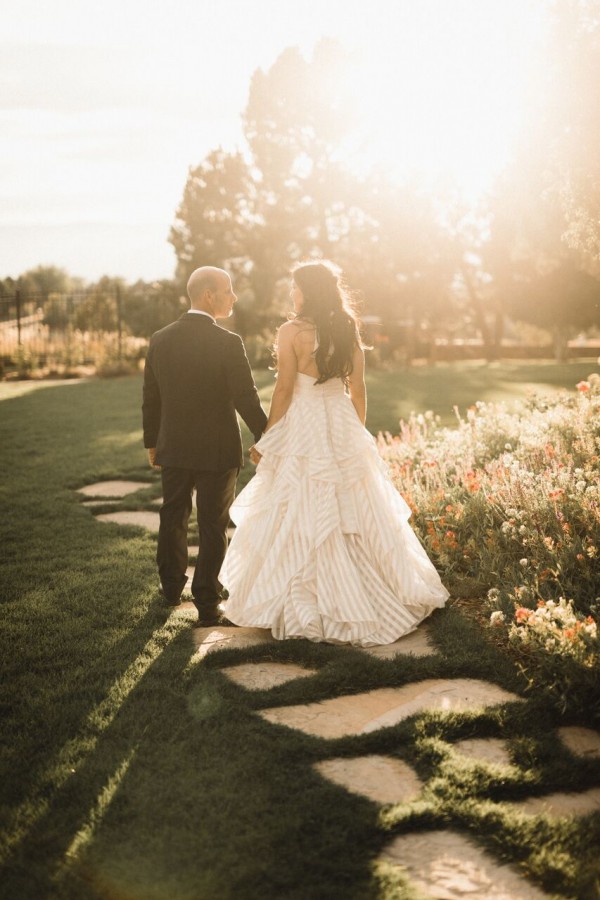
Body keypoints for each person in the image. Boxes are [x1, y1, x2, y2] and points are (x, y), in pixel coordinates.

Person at [220, 260, 449, 646]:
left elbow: (284, 390)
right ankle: (373, 591)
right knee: (354, 504)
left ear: (308, 289)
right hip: (340, 413)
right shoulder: (347, 328)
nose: (292, 293)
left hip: (304, 419)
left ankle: (303, 599)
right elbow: (358, 389)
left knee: (299, 499)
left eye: (295, 286)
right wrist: (354, 433)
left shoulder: (291, 331)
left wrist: (268, 437)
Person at [142, 266, 267, 626]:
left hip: (175, 447)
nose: (234, 297)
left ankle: (170, 588)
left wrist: (153, 442)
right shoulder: (228, 342)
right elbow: (246, 397)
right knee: (213, 524)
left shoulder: (160, 339)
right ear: (209, 295)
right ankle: (208, 603)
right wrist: (266, 434)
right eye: (229, 290)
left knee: (173, 514)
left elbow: (151, 398)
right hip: (217, 451)